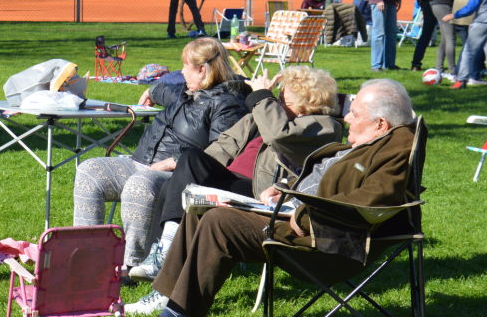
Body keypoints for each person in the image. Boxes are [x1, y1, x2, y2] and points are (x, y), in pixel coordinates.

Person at [138, 80, 417, 317]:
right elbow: (327, 180)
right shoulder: (373, 143)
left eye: (355, 114)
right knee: (201, 206)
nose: (346, 119)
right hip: (295, 215)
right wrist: (287, 187)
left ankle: (177, 312)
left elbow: (374, 199)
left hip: (323, 238)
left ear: (380, 124)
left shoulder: (393, 149)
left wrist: (304, 212)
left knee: (219, 220)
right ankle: (170, 299)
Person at [125, 66, 341, 298]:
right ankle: (158, 259)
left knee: (187, 195)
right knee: (181, 174)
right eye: (276, 97)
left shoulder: (323, 127)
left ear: (305, 106)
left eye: (283, 100)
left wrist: (262, 98)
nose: (277, 102)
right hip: (231, 179)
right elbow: (221, 147)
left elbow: (279, 135)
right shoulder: (261, 116)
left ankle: (162, 279)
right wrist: (183, 167)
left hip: (259, 192)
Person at [73, 39, 248, 270]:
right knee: (89, 171)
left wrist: (173, 163)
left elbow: (222, 151)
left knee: (140, 184)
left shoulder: (226, 105)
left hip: (176, 177)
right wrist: (151, 90)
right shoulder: (187, 92)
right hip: (140, 164)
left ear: (202, 70)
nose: (182, 71)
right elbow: (165, 89)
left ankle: (130, 266)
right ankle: (87, 259)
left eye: (186, 66)